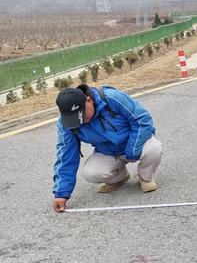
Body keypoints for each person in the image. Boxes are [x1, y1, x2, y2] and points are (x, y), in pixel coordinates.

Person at [52, 84, 162, 212]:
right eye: (75, 119)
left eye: (82, 116)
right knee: (90, 173)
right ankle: (120, 177)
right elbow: (66, 154)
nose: (80, 122)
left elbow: (142, 120)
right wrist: (61, 194)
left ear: (89, 100)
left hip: (135, 143)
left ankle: (145, 177)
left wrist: (132, 151)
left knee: (153, 149)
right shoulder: (66, 123)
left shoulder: (112, 98)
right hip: (109, 152)